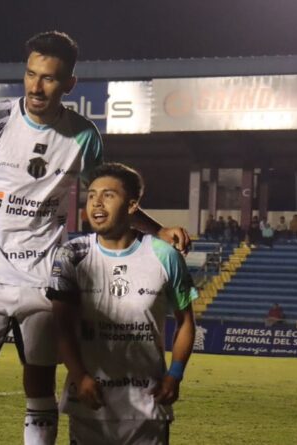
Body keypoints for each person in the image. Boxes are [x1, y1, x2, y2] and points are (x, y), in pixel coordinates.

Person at [0, 31, 189, 445]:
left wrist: (158, 230)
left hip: (42, 278)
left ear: (69, 83)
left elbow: (108, 194)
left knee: (40, 388)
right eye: (30, 74)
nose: (35, 86)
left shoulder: (83, 135)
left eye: (48, 78)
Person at [48, 162, 197, 445]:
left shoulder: (165, 256)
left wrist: (175, 375)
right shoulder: (72, 255)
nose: (96, 203)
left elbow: (186, 322)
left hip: (147, 406)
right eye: (91, 195)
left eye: (108, 195)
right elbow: (61, 327)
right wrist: (79, 376)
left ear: (131, 206)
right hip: (90, 403)